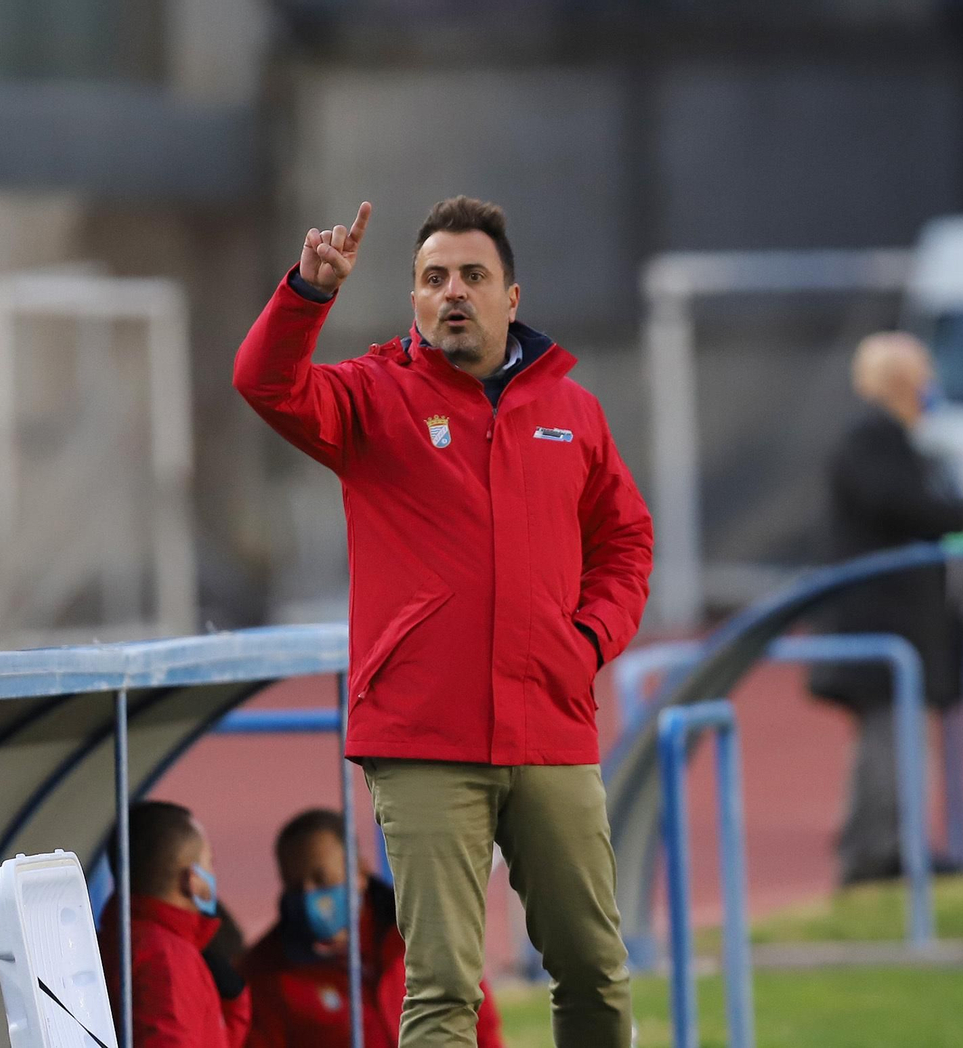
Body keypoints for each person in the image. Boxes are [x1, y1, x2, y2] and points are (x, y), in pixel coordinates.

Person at [234, 197, 651, 1047]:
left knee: (595, 971)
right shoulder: (371, 396)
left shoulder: (574, 413)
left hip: (551, 727)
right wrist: (308, 295)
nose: (452, 291)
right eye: (433, 278)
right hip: (424, 735)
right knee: (444, 987)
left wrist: (591, 641)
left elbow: (627, 540)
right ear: (414, 300)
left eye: (471, 276)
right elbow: (265, 383)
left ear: (511, 296)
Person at [807, 332, 963, 885]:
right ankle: (877, 856)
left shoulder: (892, 441)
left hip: (895, 625)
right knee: (890, 744)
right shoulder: (871, 440)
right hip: (882, 625)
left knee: (892, 744)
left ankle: (882, 849)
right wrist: (962, 518)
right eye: (922, 376)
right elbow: (899, 503)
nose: (929, 388)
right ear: (901, 383)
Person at [242, 809, 505, 1048]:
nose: (309, 895)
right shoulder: (265, 974)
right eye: (296, 886)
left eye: (322, 879)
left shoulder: (428, 931)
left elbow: (480, 1026)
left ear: (360, 872)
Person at [100, 800, 251, 1047]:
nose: (213, 874)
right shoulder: (168, 957)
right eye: (209, 863)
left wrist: (234, 1008)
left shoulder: (116, 939)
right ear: (191, 880)